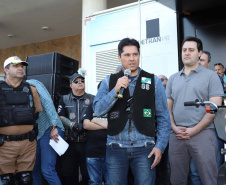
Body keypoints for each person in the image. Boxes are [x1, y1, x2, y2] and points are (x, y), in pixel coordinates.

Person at [93, 38, 171, 185]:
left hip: (145, 147)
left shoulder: (153, 81)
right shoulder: (109, 81)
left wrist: (160, 146)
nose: (132, 59)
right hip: (115, 146)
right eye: (127, 55)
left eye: (135, 54)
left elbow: (163, 117)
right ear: (119, 57)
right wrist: (115, 91)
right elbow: (97, 110)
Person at [166, 36, 224, 185]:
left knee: (208, 179)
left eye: (191, 50)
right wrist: (173, 127)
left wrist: (194, 130)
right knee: (177, 180)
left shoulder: (211, 76)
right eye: (184, 50)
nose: (187, 53)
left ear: (199, 53)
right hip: (177, 135)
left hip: (203, 134)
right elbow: (168, 108)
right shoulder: (173, 78)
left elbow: (213, 109)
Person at [0, 56, 42, 185]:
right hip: (4, 144)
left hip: (27, 143)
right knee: (6, 180)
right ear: (6, 70)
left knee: (26, 179)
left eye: (21, 66)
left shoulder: (31, 89)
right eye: (16, 66)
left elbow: (36, 112)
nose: (20, 68)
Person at [58, 73, 95, 185]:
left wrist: (85, 125)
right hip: (70, 142)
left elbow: (97, 116)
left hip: (87, 142)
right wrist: (72, 125)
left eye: (82, 80)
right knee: (67, 173)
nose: (80, 82)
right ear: (71, 85)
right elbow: (59, 116)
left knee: (87, 173)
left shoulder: (93, 98)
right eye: (76, 81)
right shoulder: (64, 99)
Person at [26, 79, 65, 185]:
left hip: (50, 128)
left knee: (47, 170)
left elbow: (48, 102)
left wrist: (53, 126)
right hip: (36, 134)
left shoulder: (33, 83)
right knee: (33, 170)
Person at [83, 81, 109, 185]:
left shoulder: (115, 107)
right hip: (92, 152)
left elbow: (112, 127)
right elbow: (86, 125)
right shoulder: (92, 107)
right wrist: (105, 124)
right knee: (94, 182)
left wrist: (96, 120)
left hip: (111, 153)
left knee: (112, 182)